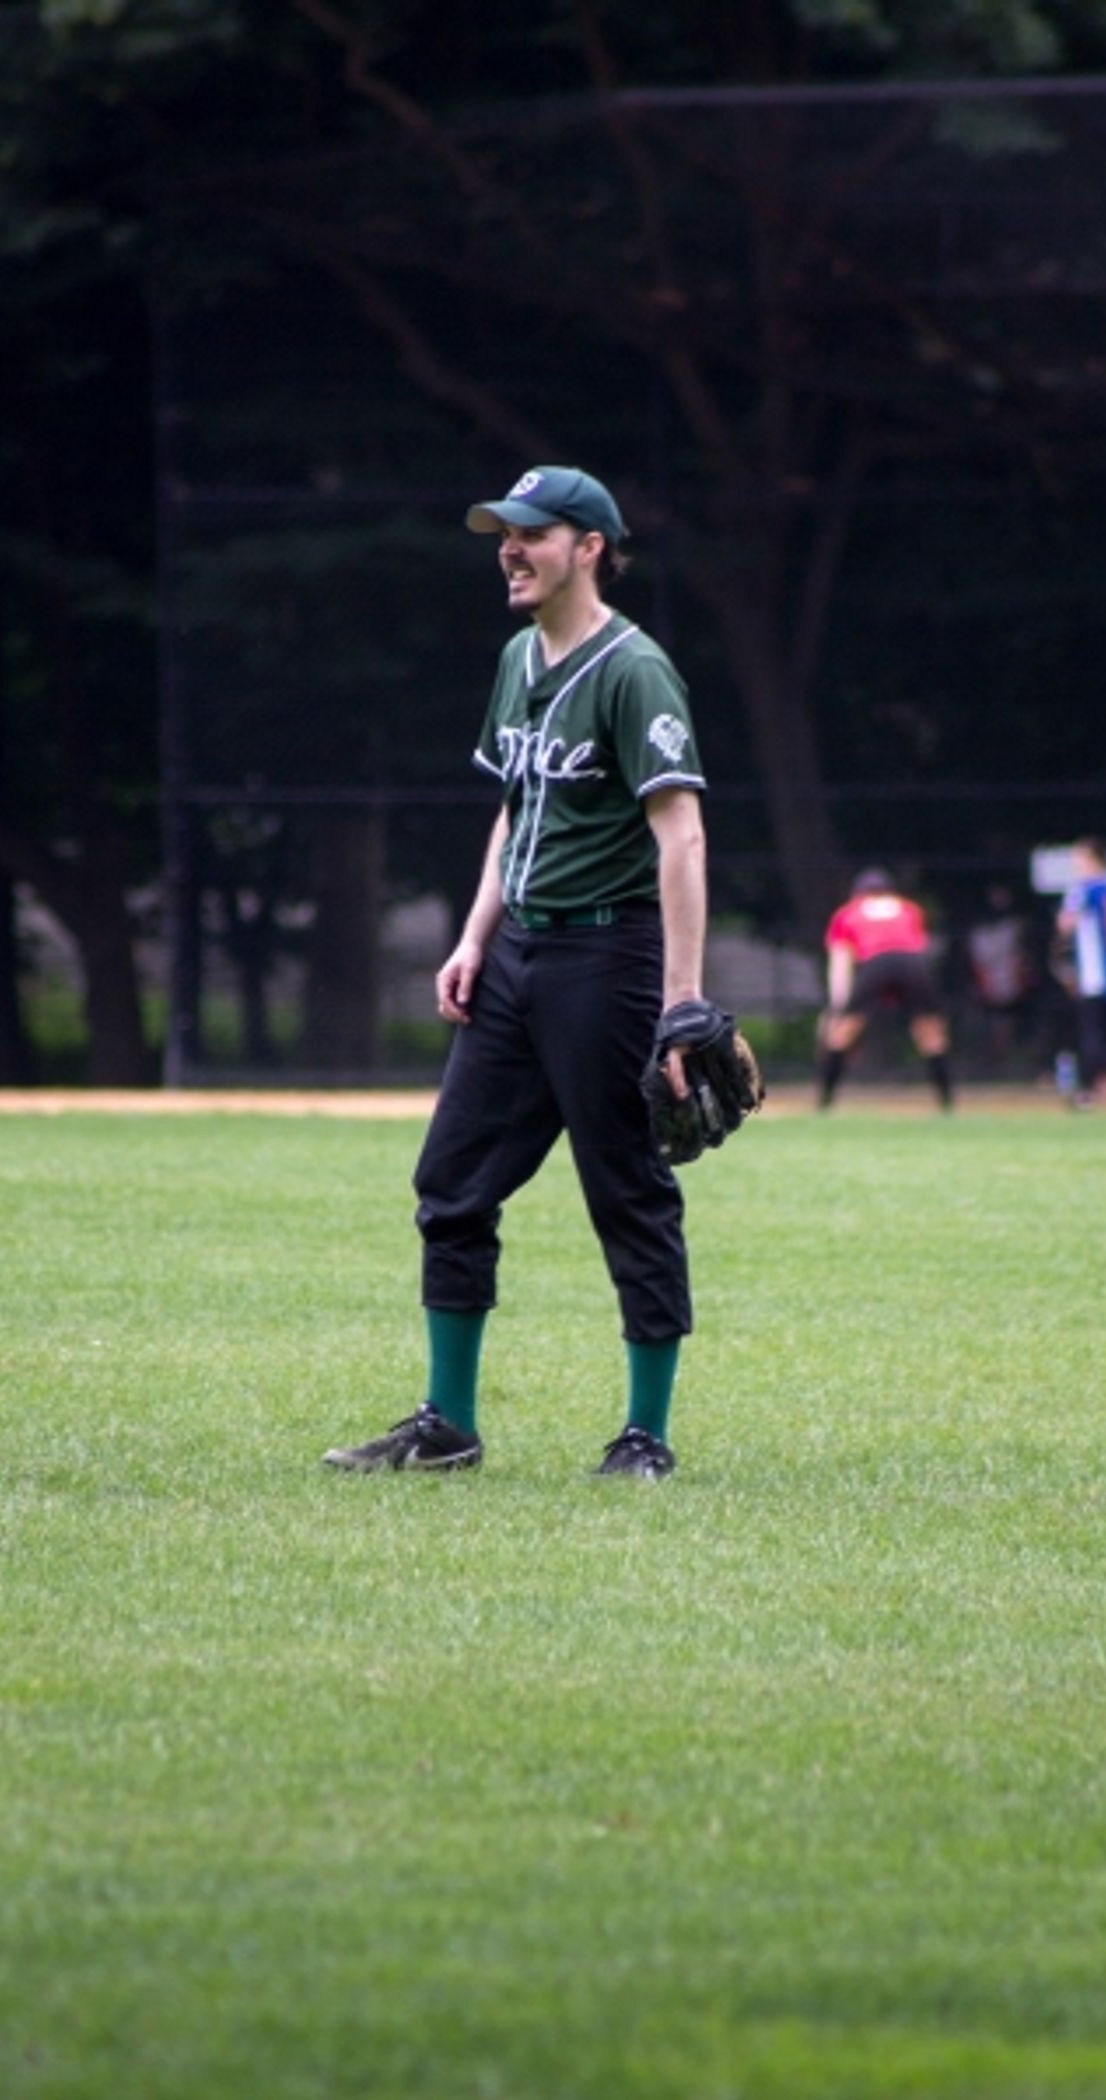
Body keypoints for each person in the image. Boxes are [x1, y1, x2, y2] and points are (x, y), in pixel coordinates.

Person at [323, 466, 708, 1481]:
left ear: (588, 546)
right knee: (450, 1185)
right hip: (519, 953)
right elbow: (515, 808)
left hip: (607, 957)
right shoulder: (514, 659)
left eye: (531, 531)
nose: (508, 546)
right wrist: (472, 936)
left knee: (625, 1188)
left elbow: (681, 835)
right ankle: (446, 1424)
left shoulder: (634, 671)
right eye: (501, 530)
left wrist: (680, 1002)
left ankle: (644, 1437)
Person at [817, 868, 954, 1109]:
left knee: (842, 1034)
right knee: (931, 1034)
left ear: (858, 893)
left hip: (876, 962)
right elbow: (920, 946)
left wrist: (840, 1004)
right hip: (914, 964)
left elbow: (841, 962)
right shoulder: (909, 909)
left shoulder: (848, 913)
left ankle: (825, 1100)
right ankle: (946, 1101)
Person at [1055, 837, 1106, 1105]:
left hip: (1093, 974)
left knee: (1093, 1034)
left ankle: (1088, 1089)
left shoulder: (1083, 889)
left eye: (1079, 858)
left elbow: (1065, 924)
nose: (1075, 864)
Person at [965, 883, 1037, 1071]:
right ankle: (991, 1061)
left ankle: (1017, 1060)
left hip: (1013, 983)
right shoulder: (981, 930)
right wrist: (985, 983)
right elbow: (979, 962)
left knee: (1012, 1021)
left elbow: (1021, 959)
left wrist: (1020, 978)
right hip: (991, 983)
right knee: (993, 1022)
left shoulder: (1015, 925)